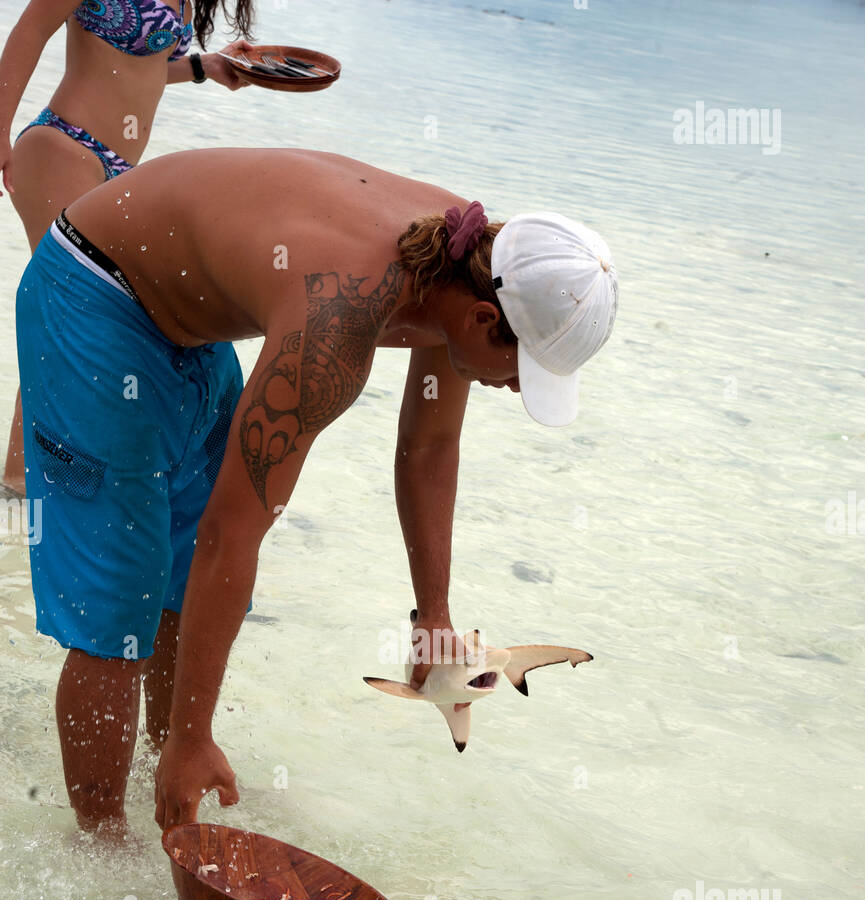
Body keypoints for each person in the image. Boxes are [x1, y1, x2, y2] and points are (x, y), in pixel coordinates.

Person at [14, 147, 618, 836]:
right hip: (94, 293)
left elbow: (427, 448)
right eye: (523, 373)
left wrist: (434, 618)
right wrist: (196, 736)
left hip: (185, 312)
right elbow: (231, 536)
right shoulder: (335, 325)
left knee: (179, 578)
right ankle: (101, 845)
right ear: (484, 321)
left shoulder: (468, 257)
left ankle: (171, 765)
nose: (515, 390)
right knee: (120, 604)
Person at [0, 0, 255, 493]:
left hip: (119, 171)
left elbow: (144, 65)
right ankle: (19, 491)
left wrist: (207, 66)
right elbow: (30, 30)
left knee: (97, 328)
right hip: (61, 148)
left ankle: (45, 484)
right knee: (73, 323)